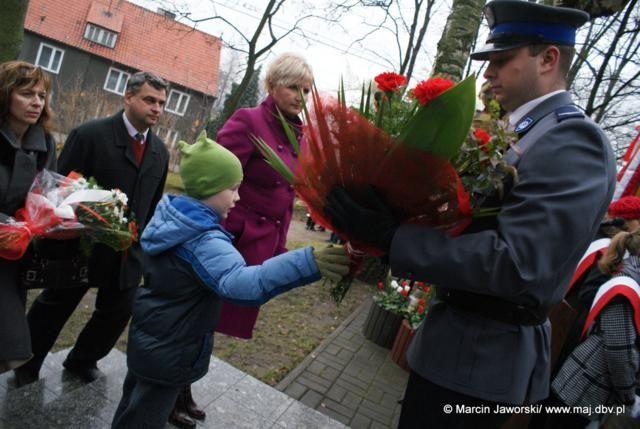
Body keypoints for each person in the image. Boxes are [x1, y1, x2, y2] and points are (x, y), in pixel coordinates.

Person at [325, 1, 617, 427]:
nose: (487, 73)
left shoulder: (573, 140)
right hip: (460, 348)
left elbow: (519, 264)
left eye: (501, 60)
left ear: (548, 59)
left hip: (483, 359)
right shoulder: (528, 130)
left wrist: (395, 239)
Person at [111, 132, 349, 429]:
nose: (238, 197)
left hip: (152, 335)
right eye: (234, 188)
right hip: (171, 348)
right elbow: (242, 283)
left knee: (133, 405)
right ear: (210, 188)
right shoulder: (202, 239)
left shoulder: (173, 215)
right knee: (145, 418)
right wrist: (307, 262)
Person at [15, 71, 169, 386]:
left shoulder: (160, 152)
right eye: (149, 100)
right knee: (56, 305)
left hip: (126, 249)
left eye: (162, 103)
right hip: (79, 244)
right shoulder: (90, 134)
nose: (157, 108)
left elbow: (152, 203)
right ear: (128, 97)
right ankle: (27, 364)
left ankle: (82, 360)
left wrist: (138, 240)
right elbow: (57, 188)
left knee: (117, 311)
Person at [214, 52, 313, 340]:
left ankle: (188, 373)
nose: (301, 97)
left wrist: (279, 248)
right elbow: (218, 181)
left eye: (306, 90)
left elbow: (287, 196)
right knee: (205, 310)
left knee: (224, 319)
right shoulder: (249, 120)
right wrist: (214, 238)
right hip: (233, 240)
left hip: (262, 245)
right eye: (293, 87)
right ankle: (179, 378)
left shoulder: (300, 136)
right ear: (272, 85)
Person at [548, 230, 640, 428]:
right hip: (584, 386)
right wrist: (629, 397)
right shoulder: (627, 286)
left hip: (592, 386)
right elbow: (619, 350)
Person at [0, 61, 56, 374]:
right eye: (26, 94)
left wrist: (55, 214)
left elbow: (46, 191)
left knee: (10, 345)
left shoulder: (44, 142)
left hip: (13, 255)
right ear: (6, 96)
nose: (37, 102)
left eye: (41, 94)